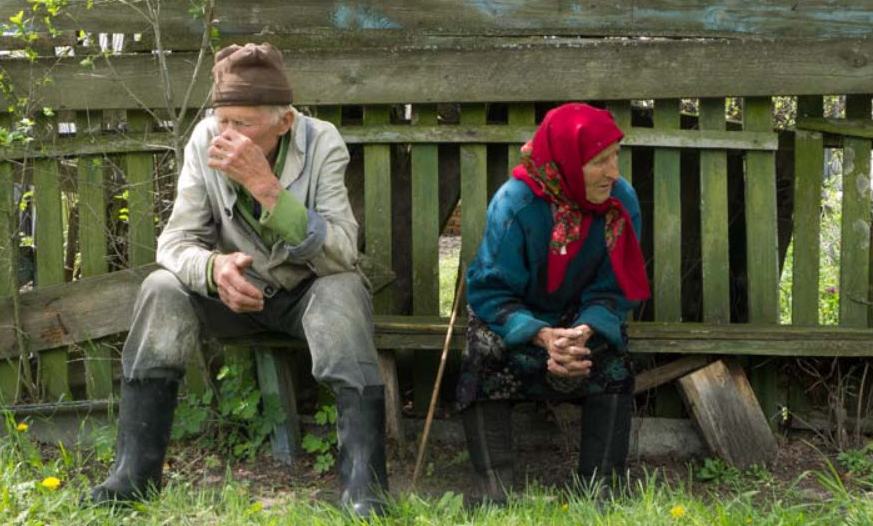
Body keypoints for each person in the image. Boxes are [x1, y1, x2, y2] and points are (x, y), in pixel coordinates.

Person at [89, 43, 388, 517]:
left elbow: (341, 253)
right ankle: (132, 477)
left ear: (283, 122)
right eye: (221, 120)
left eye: (242, 124)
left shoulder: (321, 141)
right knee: (160, 288)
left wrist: (267, 188)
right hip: (232, 294)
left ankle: (363, 491)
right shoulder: (204, 138)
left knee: (345, 290)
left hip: (304, 294)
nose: (226, 135)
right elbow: (175, 243)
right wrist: (214, 270)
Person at [456, 103, 649, 503]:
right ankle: (494, 489)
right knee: (483, 349)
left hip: (581, 319)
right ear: (566, 161)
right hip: (519, 314)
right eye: (600, 161)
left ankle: (600, 488)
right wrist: (543, 335)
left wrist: (582, 332)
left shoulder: (620, 202)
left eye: (616, 156)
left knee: (613, 354)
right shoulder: (516, 202)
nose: (613, 172)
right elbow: (491, 290)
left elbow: (615, 288)